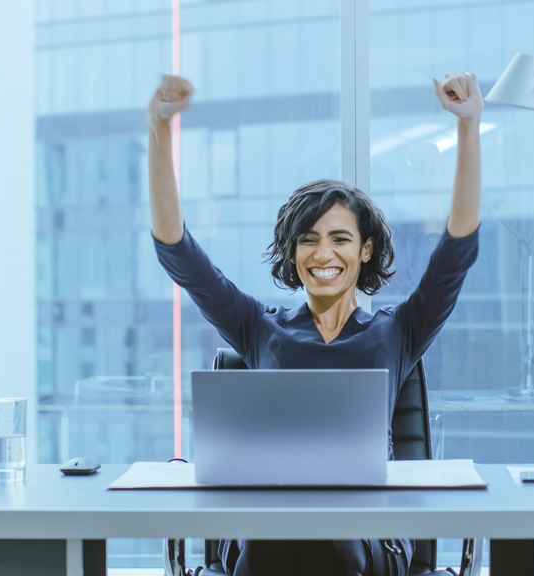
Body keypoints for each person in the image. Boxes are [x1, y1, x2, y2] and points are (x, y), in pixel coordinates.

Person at [148, 72, 482, 576]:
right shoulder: (259, 327)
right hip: (269, 527)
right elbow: (178, 253)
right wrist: (160, 129)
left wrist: (468, 127)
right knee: (276, 544)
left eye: (340, 239)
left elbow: (456, 251)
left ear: (365, 250)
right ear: (293, 251)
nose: (323, 254)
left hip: (369, 534)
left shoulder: (397, 331)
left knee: (332, 546)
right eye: (309, 239)